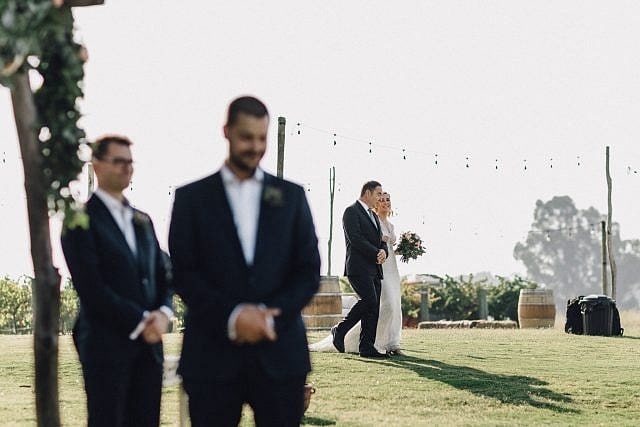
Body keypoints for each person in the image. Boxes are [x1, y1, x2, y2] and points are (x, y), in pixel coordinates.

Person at [168, 96, 321, 426]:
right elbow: (184, 273)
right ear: (227, 132)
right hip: (211, 354)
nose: (255, 147)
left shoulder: (292, 197)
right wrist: (234, 317)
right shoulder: (191, 199)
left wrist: (270, 316)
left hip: (280, 353)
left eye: (262, 138)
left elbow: (308, 269)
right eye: (246, 137)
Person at [61, 135, 173, 427]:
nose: (126, 168)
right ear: (96, 166)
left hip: (150, 350)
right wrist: (141, 321)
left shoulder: (143, 220)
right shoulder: (80, 220)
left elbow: (164, 274)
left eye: (130, 162)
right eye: (118, 161)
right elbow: (92, 287)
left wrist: (163, 312)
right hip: (106, 345)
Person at [310, 191, 403, 355]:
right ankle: (355, 338)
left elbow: (387, 246)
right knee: (382, 304)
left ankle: (390, 343)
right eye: (381, 200)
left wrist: (406, 248)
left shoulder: (390, 224)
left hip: (391, 268)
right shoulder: (372, 220)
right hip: (376, 267)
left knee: (393, 305)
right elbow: (366, 241)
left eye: (388, 200)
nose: (385, 203)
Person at [330, 181, 389, 358]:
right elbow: (355, 238)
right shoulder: (351, 211)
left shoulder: (374, 216)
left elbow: (381, 241)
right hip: (358, 267)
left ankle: (366, 347)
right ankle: (340, 330)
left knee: (374, 307)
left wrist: (383, 252)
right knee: (369, 300)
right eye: (378, 194)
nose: (380, 198)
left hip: (375, 268)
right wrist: (375, 252)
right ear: (367, 193)